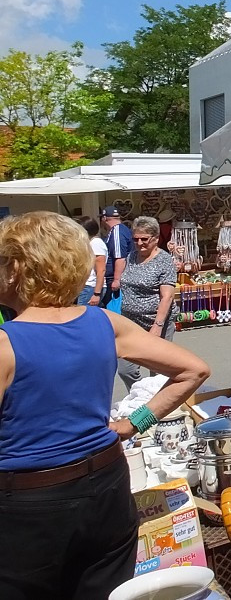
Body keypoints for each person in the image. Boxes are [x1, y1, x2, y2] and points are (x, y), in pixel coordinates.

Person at [0, 211, 210, 598]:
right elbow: (192, 370)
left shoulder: (7, 343)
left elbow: (193, 372)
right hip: (106, 488)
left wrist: (133, 424)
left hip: (30, 505)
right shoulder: (101, 323)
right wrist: (134, 424)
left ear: (15, 268)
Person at [117, 216, 181, 390]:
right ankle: (140, 396)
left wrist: (158, 325)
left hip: (155, 323)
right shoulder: (131, 257)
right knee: (125, 369)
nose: (139, 243)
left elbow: (167, 297)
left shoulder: (164, 260)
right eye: (135, 239)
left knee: (157, 371)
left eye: (144, 239)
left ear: (156, 239)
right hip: (131, 324)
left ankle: (157, 406)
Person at [100, 205, 132, 310]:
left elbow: (120, 257)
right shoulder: (118, 230)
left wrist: (117, 279)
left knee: (113, 309)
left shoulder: (117, 231)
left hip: (114, 279)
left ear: (104, 218)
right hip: (112, 278)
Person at [76, 216, 108, 307]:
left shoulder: (96, 243)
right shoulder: (89, 243)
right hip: (86, 286)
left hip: (91, 287)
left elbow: (101, 270)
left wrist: (96, 294)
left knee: (83, 317)